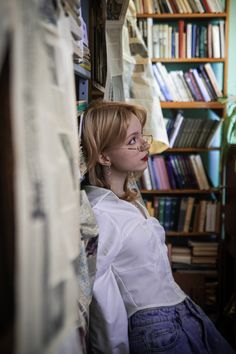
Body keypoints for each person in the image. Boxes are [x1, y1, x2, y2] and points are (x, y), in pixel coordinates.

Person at [81, 100, 235, 354]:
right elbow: (102, 296)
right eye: (132, 141)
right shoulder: (102, 213)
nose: (143, 144)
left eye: (141, 135)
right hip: (157, 327)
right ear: (104, 156)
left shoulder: (129, 198)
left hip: (181, 310)